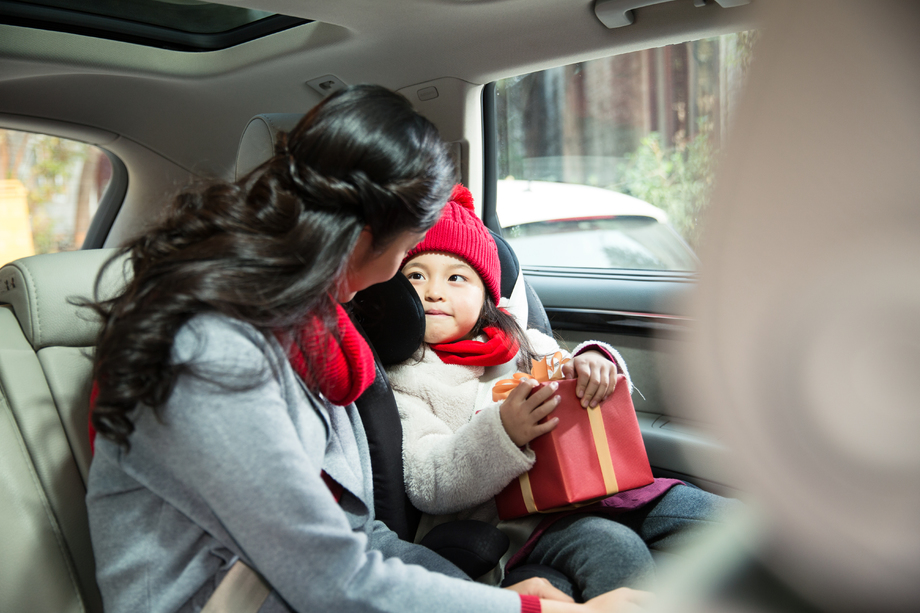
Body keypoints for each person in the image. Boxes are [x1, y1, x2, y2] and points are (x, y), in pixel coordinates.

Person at [85, 84, 651, 613]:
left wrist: (485, 594)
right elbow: (331, 576)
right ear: (364, 240)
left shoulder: (312, 337)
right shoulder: (211, 352)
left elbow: (357, 533)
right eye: (409, 251)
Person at [386, 184, 738, 601]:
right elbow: (428, 482)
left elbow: (569, 369)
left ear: (487, 296)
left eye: (456, 277)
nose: (434, 291)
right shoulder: (408, 377)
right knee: (613, 548)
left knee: (729, 521)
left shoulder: (522, 342)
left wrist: (594, 362)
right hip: (517, 526)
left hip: (602, 489)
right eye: (416, 276)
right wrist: (503, 432)